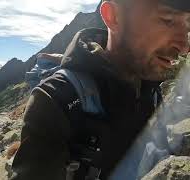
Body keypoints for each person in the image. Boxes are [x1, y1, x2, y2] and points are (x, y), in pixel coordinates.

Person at [11, 0, 190, 180]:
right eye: (168, 20)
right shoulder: (57, 99)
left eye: (188, 24)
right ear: (113, 17)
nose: (184, 46)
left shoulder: (151, 89)